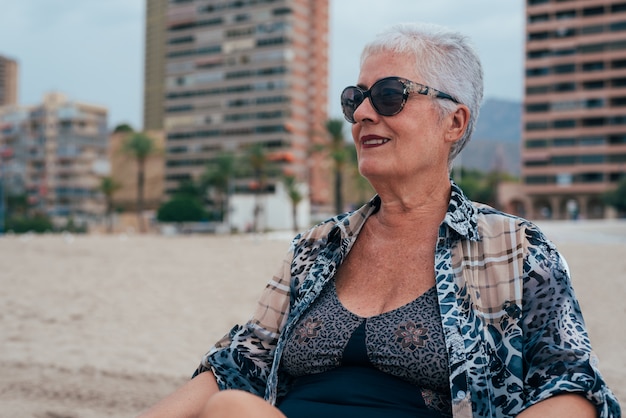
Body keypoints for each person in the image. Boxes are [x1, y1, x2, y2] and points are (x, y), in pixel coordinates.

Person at [139, 23, 621, 418]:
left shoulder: (515, 250)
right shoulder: (316, 248)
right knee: (231, 407)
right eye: (356, 98)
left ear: (453, 123)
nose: (363, 114)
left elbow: (570, 387)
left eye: (390, 95)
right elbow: (238, 362)